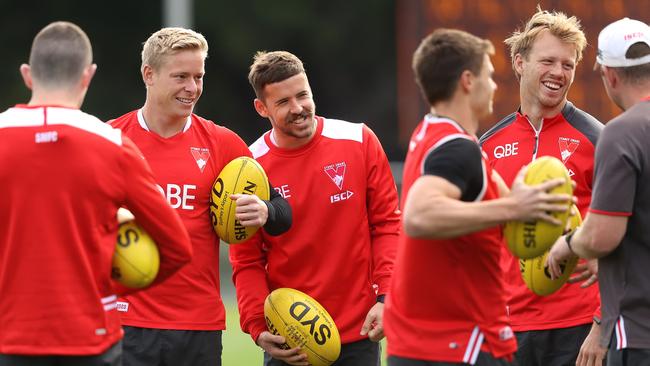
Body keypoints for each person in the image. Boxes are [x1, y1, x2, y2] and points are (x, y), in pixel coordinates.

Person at [0, 22, 192, 366]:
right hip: (91, 338)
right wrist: (111, 287)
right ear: (88, 76)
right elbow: (177, 248)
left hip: (9, 336)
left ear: (28, 75)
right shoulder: (114, 145)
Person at [383, 28, 572, 366]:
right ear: (468, 81)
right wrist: (516, 205)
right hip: (455, 342)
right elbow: (418, 215)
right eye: (489, 75)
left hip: (429, 339)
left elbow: (503, 218)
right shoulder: (459, 149)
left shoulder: (433, 133)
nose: (495, 86)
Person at [109, 28, 292, 366]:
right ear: (148, 74)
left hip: (197, 326)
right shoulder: (109, 140)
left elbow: (283, 211)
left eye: (198, 76)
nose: (192, 88)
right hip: (125, 322)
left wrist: (264, 210)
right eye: (181, 76)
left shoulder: (221, 144)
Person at [230, 50, 401, 366]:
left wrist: (386, 297)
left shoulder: (359, 140)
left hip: (358, 330)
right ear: (261, 108)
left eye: (302, 95)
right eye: (283, 103)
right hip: (288, 341)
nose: (298, 109)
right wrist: (256, 324)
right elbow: (247, 260)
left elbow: (387, 225)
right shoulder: (249, 168)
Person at [478, 8, 604, 365]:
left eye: (568, 64)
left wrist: (602, 325)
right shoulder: (486, 145)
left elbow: (626, 233)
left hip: (580, 327)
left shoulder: (598, 139)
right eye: (548, 61)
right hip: (506, 325)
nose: (558, 73)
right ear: (519, 63)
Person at [547, 17, 650, 366]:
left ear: (609, 74)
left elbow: (603, 234)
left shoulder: (622, 133)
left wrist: (568, 244)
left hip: (639, 330)